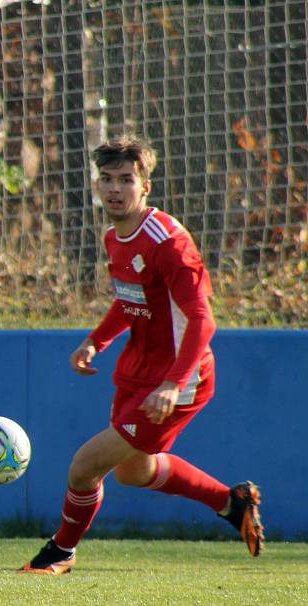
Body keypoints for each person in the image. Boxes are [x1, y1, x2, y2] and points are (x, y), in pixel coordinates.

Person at [19, 137, 264, 575]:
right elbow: (130, 299)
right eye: (107, 179)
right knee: (133, 472)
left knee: (84, 466)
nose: (115, 189)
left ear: (145, 186)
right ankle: (231, 502)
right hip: (138, 369)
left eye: (126, 180)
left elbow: (203, 320)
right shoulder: (115, 236)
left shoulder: (168, 242)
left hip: (178, 378)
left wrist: (172, 383)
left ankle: (61, 551)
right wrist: (96, 340)